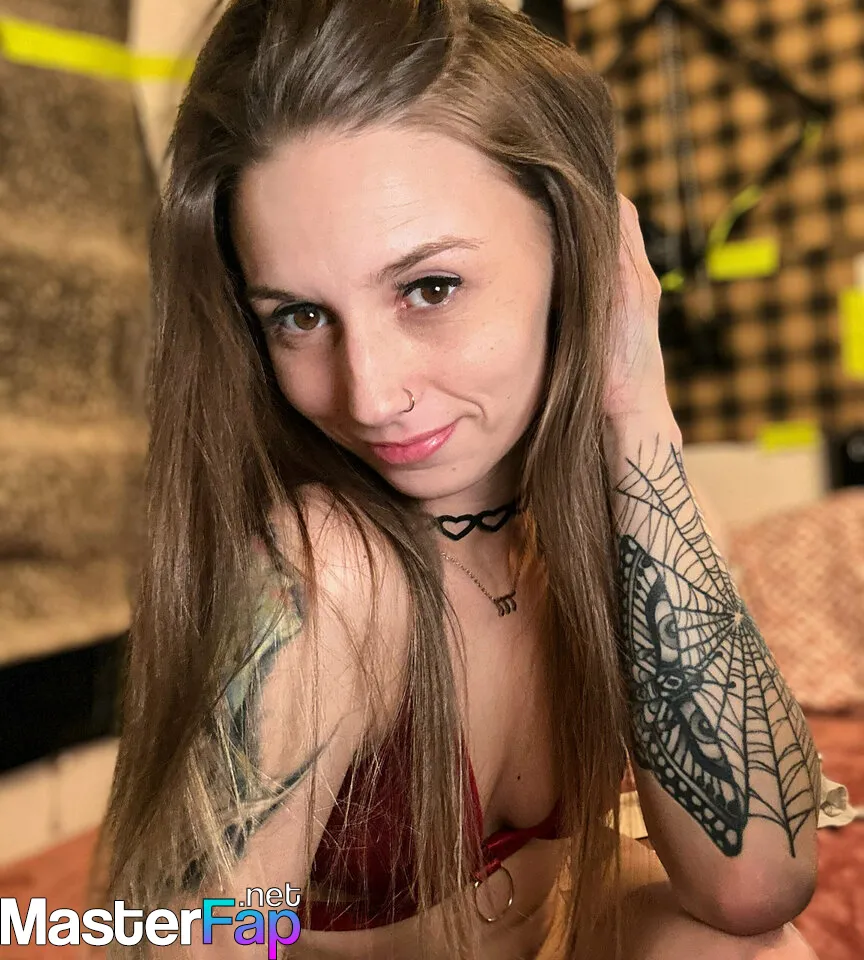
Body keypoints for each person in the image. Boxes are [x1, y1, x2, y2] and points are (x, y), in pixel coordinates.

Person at [97, 1, 822, 958]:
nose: (371, 396)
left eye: (429, 288)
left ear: (578, 252)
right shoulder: (326, 574)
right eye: (299, 317)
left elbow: (756, 886)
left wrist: (637, 410)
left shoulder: (618, 517)